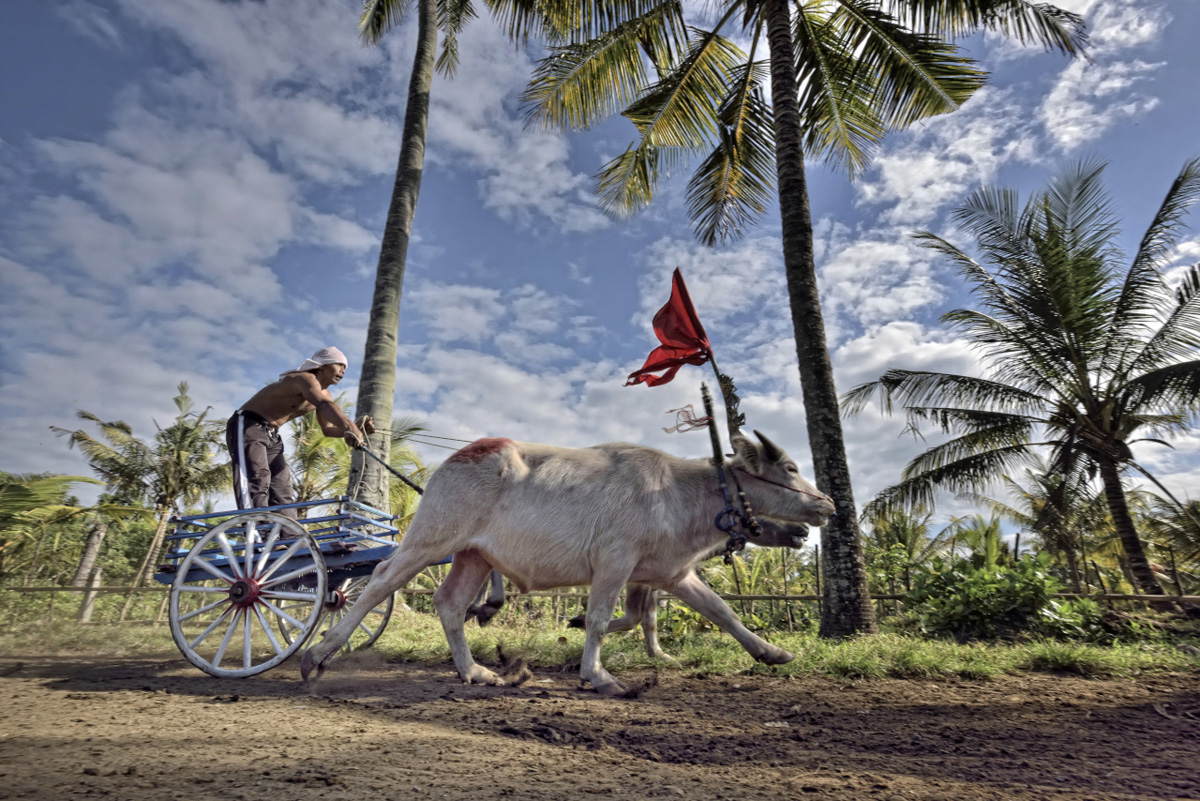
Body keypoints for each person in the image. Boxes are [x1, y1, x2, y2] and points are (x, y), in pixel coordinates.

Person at [226, 346, 373, 519]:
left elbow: (329, 430)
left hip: (272, 434)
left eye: (345, 368)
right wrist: (350, 427)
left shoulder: (325, 394)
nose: (342, 370)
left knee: (282, 487)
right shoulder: (304, 379)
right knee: (257, 477)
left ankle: (290, 539)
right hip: (248, 424)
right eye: (339, 364)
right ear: (323, 365)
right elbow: (325, 405)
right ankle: (258, 534)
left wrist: (358, 429)